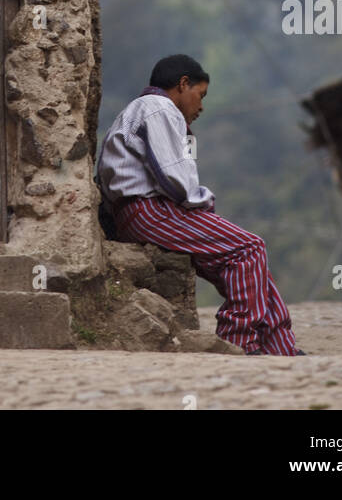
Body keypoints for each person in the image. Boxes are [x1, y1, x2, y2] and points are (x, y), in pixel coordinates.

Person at [95, 53, 304, 356]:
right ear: (183, 84)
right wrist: (205, 204)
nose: (201, 106)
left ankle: (280, 347)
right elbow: (174, 178)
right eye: (200, 94)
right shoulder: (158, 108)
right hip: (149, 211)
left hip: (143, 212)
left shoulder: (143, 110)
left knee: (249, 263)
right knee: (248, 248)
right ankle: (239, 340)